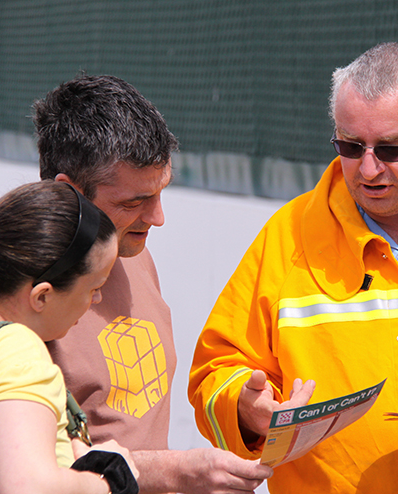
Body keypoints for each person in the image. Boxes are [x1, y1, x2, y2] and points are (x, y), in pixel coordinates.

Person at [188, 42, 398, 493]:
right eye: (349, 144)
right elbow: (215, 373)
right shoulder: (289, 237)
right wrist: (247, 409)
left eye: (391, 149)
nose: (367, 168)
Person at [34, 74, 272, 494]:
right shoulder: (18, 294)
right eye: (133, 203)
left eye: (160, 192)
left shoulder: (134, 253)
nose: (157, 217)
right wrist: (179, 472)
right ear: (69, 193)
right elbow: (31, 464)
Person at [0, 180, 141, 494]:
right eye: (93, 288)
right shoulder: (16, 348)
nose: (98, 300)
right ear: (42, 296)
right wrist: (108, 480)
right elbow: (26, 486)